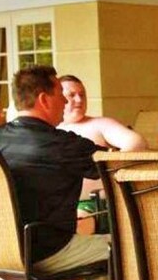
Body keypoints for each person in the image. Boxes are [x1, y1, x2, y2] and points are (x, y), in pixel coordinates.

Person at [0, 65, 140, 280]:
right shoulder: (61, 144)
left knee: (89, 238)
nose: (66, 103)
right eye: (60, 95)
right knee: (129, 251)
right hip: (44, 251)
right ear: (44, 99)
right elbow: (118, 167)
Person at [57, 74, 147, 234]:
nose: (79, 99)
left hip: (93, 204)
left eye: (82, 94)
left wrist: (110, 171)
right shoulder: (49, 130)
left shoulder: (99, 124)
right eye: (72, 95)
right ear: (59, 98)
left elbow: (136, 143)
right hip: (56, 204)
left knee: (73, 226)